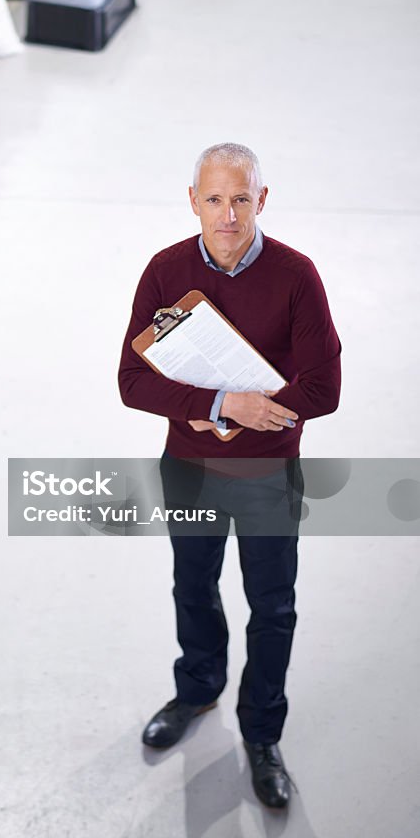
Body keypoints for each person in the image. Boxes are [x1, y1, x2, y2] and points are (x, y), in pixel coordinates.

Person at [117, 143, 341, 809]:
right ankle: (196, 689)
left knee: (272, 607)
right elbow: (132, 381)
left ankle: (261, 734)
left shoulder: (296, 275)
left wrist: (247, 416)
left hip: (270, 472)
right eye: (213, 198)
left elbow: (323, 388)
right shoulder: (165, 271)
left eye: (240, 198)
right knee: (192, 585)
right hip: (188, 469)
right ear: (192, 201)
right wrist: (218, 405)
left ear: (261, 201)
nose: (227, 213)